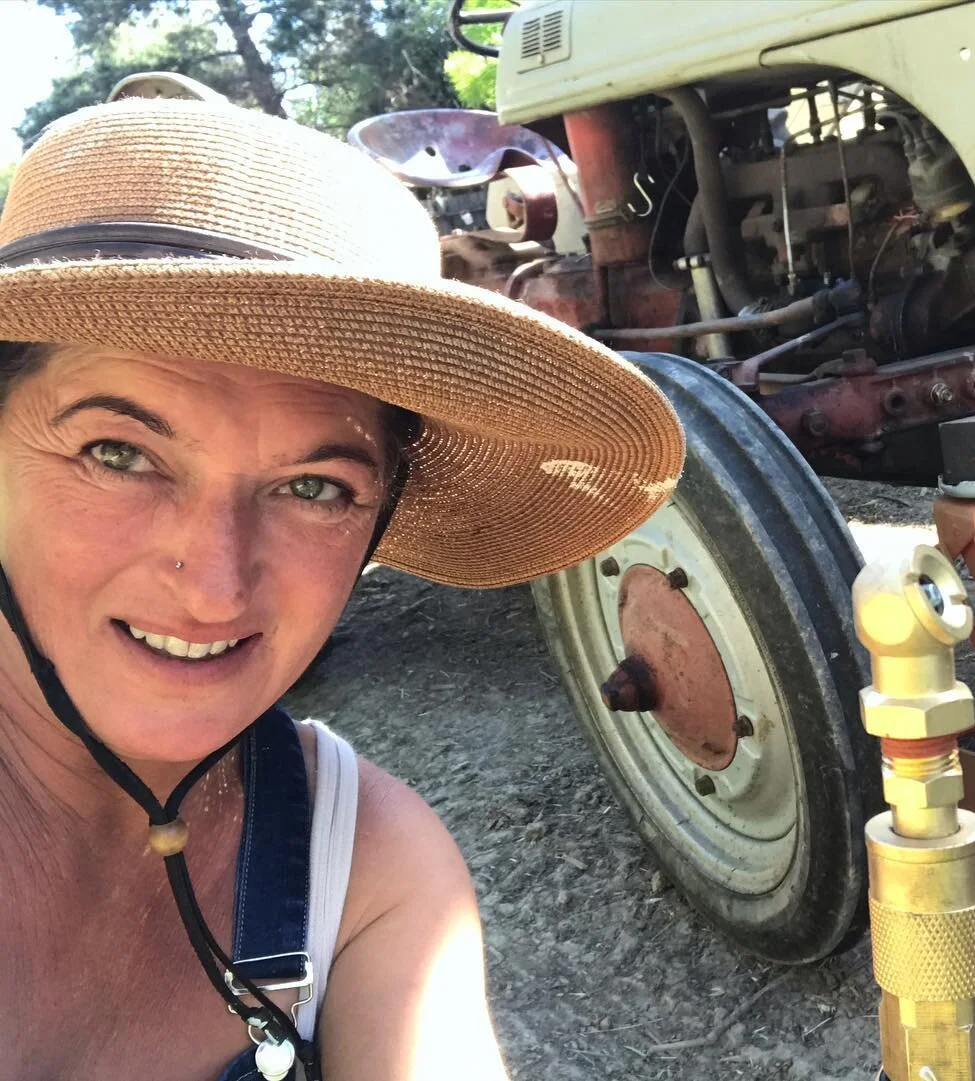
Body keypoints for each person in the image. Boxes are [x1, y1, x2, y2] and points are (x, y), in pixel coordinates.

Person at [0, 94, 684, 1079]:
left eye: (316, 487)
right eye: (120, 453)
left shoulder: (367, 865)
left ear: (384, 516)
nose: (215, 587)